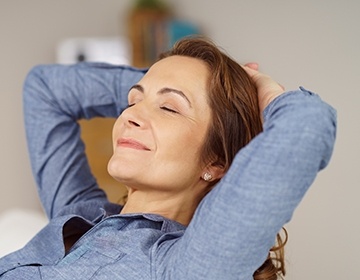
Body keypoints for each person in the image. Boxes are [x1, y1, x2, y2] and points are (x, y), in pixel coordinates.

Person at [0, 37, 336, 280]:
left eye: (169, 108)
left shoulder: (186, 266)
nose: (129, 116)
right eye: (132, 101)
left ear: (216, 162)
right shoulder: (80, 214)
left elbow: (306, 128)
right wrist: (164, 79)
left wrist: (263, 92)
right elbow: (45, 89)